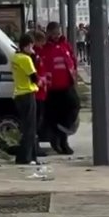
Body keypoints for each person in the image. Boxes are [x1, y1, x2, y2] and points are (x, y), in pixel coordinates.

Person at [40, 22, 79, 154]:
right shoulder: (44, 48)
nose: (57, 36)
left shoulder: (65, 45)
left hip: (67, 86)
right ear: (49, 33)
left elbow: (73, 60)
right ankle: (56, 141)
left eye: (58, 33)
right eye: (54, 33)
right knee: (54, 116)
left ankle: (63, 139)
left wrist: (74, 76)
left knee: (73, 107)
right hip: (51, 89)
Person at [11, 33, 40, 165]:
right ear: (27, 45)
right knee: (30, 128)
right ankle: (27, 157)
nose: (33, 49)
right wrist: (34, 56)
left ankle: (24, 156)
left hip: (18, 94)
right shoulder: (26, 59)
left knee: (25, 127)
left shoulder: (15, 57)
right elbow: (34, 77)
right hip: (28, 93)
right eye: (32, 46)